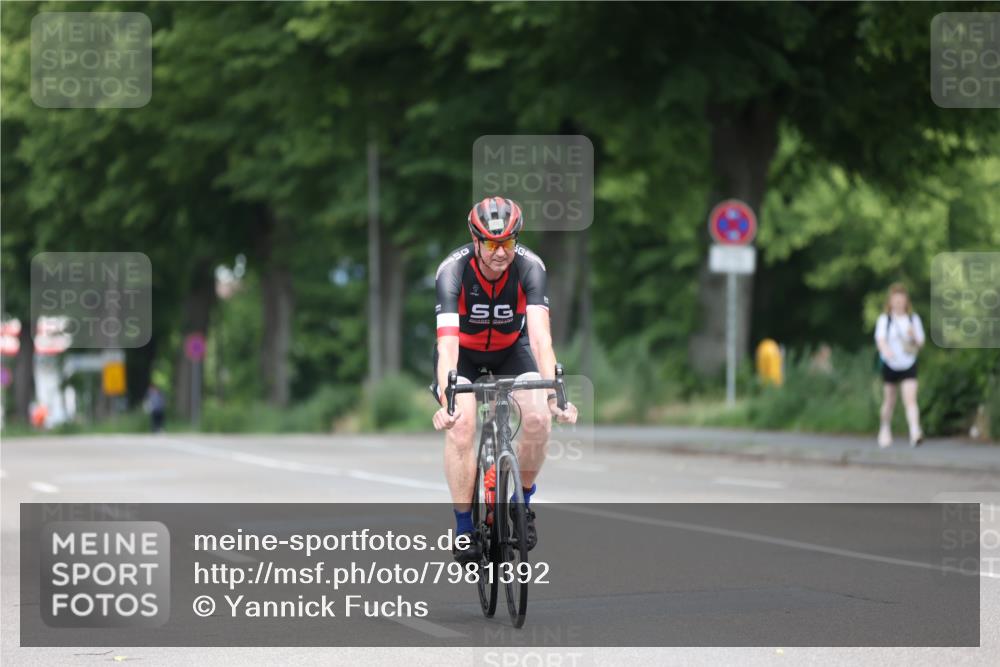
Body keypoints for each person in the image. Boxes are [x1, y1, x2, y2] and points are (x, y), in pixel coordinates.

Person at [431, 196, 578, 564]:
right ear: (475, 240)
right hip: (464, 356)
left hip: (513, 350)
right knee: (462, 426)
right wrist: (448, 400)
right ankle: (464, 527)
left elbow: (541, 339)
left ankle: (521, 504)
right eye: (492, 244)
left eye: (508, 242)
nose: (500, 253)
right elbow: (447, 346)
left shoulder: (530, 267)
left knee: (538, 418)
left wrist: (555, 396)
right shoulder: (452, 271)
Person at [874, 283, 925, 448]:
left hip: (908, 363)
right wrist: (886, 351)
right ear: (890, 302)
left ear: (905, 301)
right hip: (890, 364)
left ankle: (915, 432)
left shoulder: (913, 319)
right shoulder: (885, 319)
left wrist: (913, 335)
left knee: (910, 399)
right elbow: (880, 340)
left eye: (901, 300)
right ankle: (884, 429)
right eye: (895, 300)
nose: (898, 303)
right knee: (889, 400)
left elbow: (920, 343)